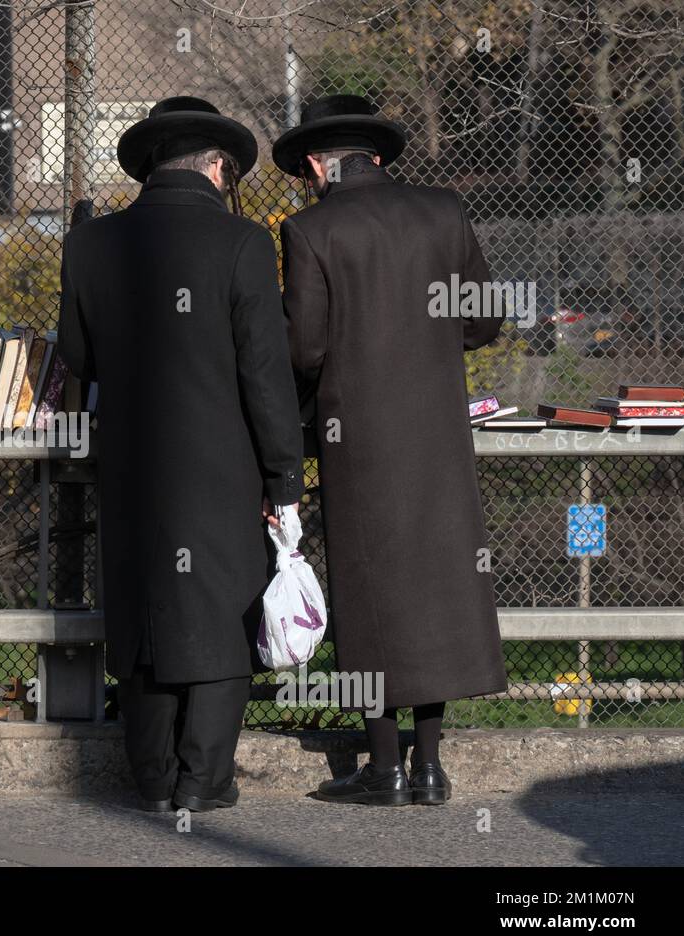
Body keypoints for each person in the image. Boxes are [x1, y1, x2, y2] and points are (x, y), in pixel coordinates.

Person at [58, 97, 303, 812]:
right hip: (223, 466)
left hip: (130, 462)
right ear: (220, 168)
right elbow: (266, 373)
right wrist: (282, 475)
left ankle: (155, 777)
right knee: (222, 612)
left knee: (142, 613)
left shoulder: (92, 244)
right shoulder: (243, 244)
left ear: (151, 168)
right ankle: (205, 782)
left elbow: (77, 355)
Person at [272, 94, 508, 806]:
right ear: (374, 156)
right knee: (434, 588)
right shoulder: (444, 212)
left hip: (358, 438)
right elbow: (484, 320)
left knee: (369, 590)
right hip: (437, 433)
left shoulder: (310, 229)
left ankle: (382, 769)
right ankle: (429, 767)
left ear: (318, 163)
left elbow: (306, 346)